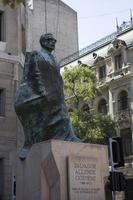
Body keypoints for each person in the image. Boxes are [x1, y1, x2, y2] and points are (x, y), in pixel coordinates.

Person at [15, 33, 80, 147]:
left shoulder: (55, 59)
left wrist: (60, 95)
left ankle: (68, 137)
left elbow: (58, 79)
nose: (53, 42)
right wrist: (42, 92)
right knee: (57, 114)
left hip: (55, 95)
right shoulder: (36, 54)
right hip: (38, 93)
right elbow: (34, 74)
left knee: (64, 115)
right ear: (43, 42)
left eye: (54, 40)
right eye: (50, 40)